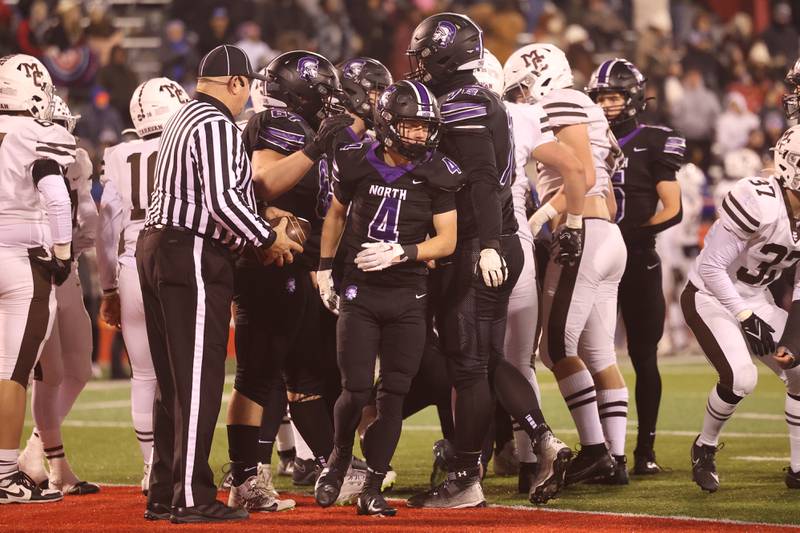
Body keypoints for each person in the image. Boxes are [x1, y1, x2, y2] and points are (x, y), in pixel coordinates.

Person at [404, 14, 571, 508]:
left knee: (468, 368)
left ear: (443, 53)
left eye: (425, 54)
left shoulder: (461, 101)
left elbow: (479, 177)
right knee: (485, 359)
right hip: (495, 241)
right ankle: (542, 440)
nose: (419, 64)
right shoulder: (478, 98)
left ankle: (463, 478)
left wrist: (489, 244)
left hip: (482, 245)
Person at [136, 44, 301, 524]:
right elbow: (223, 202)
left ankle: (165, 492)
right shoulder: (215, 124)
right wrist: (268, 237)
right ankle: (191, 497)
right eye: (247, 89)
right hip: (188, 251)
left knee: (173, 384)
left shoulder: (184, 117)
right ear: (236, 83)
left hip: (159, 246)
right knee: (197, 381)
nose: (248, 101)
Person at [315, 79, 461, 516]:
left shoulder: (439, 171)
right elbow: (336, 214)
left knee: (393, 394)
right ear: (389, 123)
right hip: (361, 291)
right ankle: (339, 457)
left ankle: (373, 486)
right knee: (355, 388)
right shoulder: (357, 160)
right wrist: (324, 269)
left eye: (424, 127)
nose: (419, 135)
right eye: (411, 126)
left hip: (409, 293)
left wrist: (406, 251)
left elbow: (448, 240)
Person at [228, 52, 356, 511]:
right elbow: (263, 182)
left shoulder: (306, 130)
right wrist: (316, 147)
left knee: (309, 373)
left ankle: (332, 466)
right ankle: (244, 475)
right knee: (258, 375)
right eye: (324, 90)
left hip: (300, 264)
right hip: (271, 262)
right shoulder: (276, 122)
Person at [506, 43, 628, 485]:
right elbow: (607, 190)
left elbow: (584, 173)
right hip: (606, 234)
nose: (521, 97)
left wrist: (550, 219)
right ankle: (615, 459)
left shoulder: (561, 100)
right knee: (598, 352)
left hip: (584, 233)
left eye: (521, 87)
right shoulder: (588, 109)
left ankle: (595, 451)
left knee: (553, 348)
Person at [476, 50, 586, 495]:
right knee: (518, 360)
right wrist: (572, 220)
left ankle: (470, 462)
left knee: (470, 360)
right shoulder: (521, 113)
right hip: (515, 237)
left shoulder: (442, 107)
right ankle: (530, 460)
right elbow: (575, 167)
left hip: (466, 243)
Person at [681, 125, 800, 492]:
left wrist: (793, 341)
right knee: (741, 378)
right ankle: (705, 447)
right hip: (710, 297)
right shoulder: (759, 199)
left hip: (755, 298)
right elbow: (712, 268)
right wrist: (745, 316)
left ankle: (798, 469)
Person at [586, 58, 684, 477]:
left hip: (638, 260)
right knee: (591, 354)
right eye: (601, 98)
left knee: (644, 356)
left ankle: (644, 450)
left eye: (614, 97)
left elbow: (673, 209)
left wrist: (633, 237)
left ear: (633, 99)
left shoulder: (654, 139)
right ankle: (599, 446)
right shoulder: (583, 139)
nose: (607, 105)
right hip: (594, 263)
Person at [95, 78, 190, 495]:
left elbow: (105, 227)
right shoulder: (189, 144)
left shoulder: (116, 154)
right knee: (185, 373)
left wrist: (108, 287)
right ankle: (183, 466)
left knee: (144, 375)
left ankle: (153, 467)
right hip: (178, 259)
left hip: (132, 262)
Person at [0, 53, 74, 504]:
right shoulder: (33, 134)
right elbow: (56, 197)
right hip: (20, 260)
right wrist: (62, 253)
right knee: (11, 372)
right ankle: (6, 473)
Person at [17, 96, 99, 496]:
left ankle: (42, 452)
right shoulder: (21, 152)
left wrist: (73, 252)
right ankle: (48, 460)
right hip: (36, 266)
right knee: (44, 373)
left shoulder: (76, 160)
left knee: (77, 367)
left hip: (64, 269)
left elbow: (86, 217)